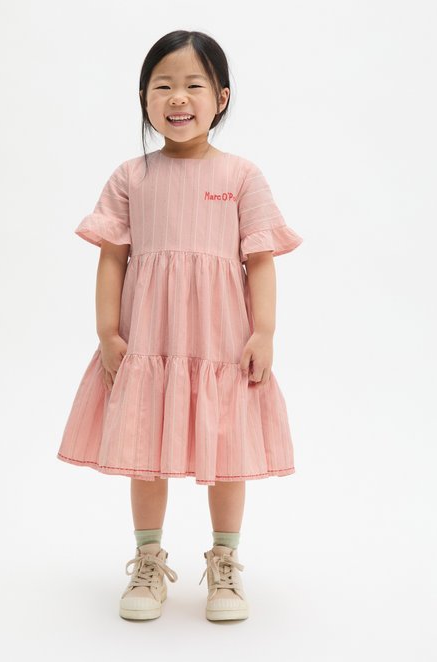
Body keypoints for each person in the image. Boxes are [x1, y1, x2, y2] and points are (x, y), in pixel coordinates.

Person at [56, 29, 303, 623]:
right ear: (144, 97)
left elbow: (260, 260)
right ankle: (147, 559)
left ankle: (225, 562)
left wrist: (264, 332)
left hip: (221, 345)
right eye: (162, 85)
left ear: (221, 97)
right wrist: (107, 333)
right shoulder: (131, 177)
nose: (177, 97)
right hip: (150, 342)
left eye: (193, 84)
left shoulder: (241, 175)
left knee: (228, 451)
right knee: (145, 451)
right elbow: (112, 258)